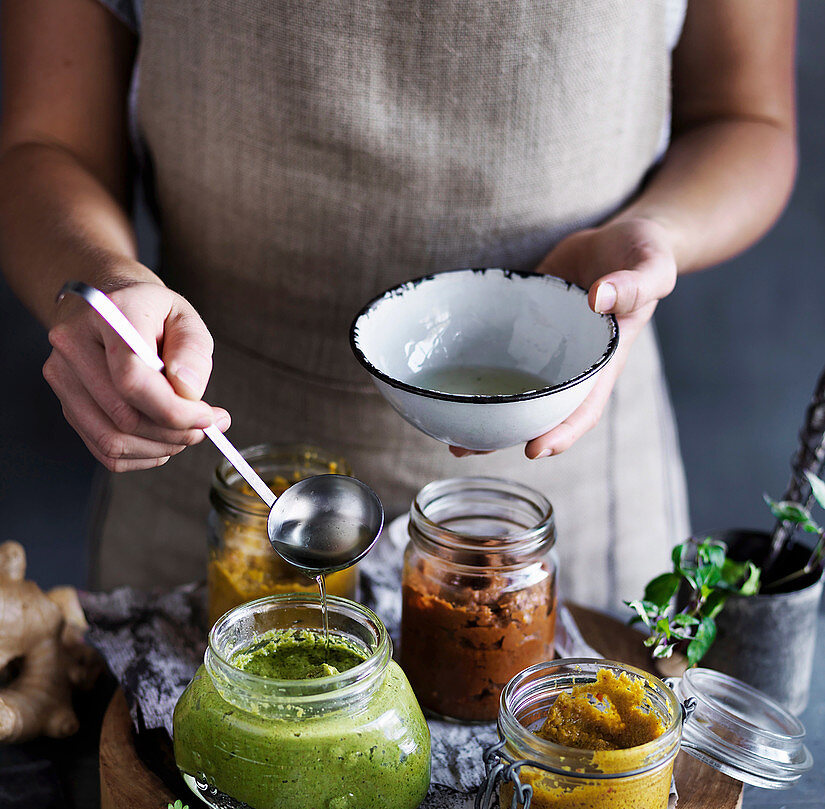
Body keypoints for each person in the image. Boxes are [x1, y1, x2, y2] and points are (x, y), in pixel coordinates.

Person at [0, 0, 797, 610]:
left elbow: (746, 118)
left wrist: (654, 234)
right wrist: (98, 277)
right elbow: (47, 144)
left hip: (561, 489)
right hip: (214, 463)